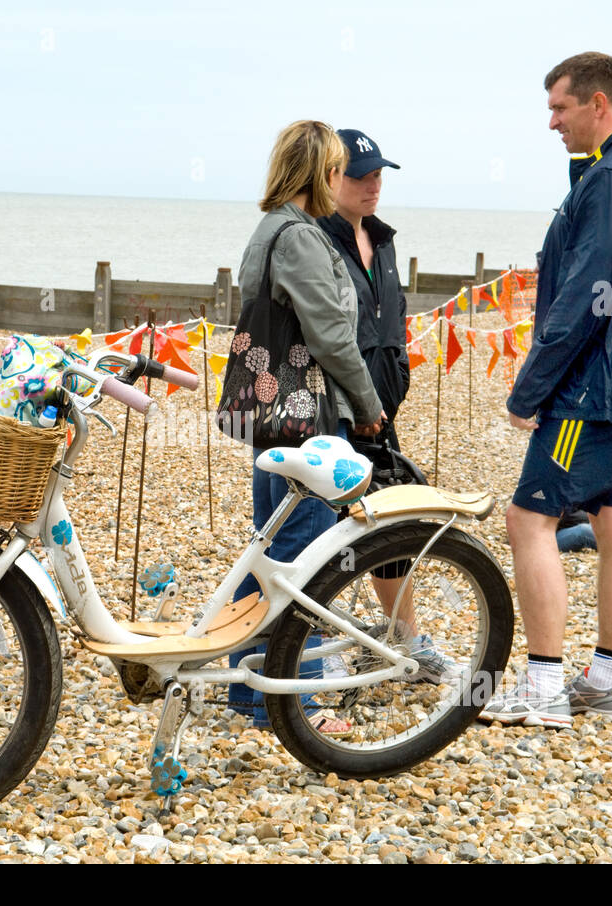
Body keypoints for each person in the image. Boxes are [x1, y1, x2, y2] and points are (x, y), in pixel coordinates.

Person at [480, 52, 612, 729]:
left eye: (560, 108)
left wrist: (531, 386)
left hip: (591, 390)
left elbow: (585, 294)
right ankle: (607, 679)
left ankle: (543, 685)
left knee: (528, 519)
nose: (552, 122)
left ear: (598, 103)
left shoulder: (611, 179)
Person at [226, 120, 385, 732]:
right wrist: (369, 405)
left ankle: (250, 688)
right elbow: (332, 338)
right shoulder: (299, 237)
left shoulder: (268, 230)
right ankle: (295, 700)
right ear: (320, 173)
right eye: (337, 169)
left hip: (273, 416)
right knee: (305, 558)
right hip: (305, 418)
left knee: (269, 550)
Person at [316, 128, 459, 685]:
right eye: (360, 175)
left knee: (389, 519)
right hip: (331, 410)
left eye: (378, 174)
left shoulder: (385, 239)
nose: (372, 185)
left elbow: (391, 319)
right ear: (332, 178)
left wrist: (393, 380)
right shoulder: (316, 241)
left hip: (382, 407)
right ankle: (319, 646)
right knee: (323, 533)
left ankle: (403, 643)